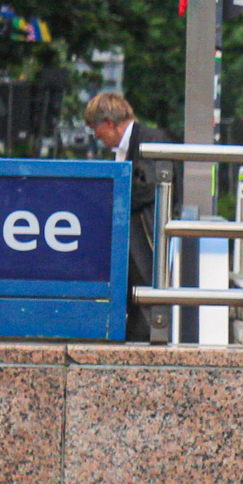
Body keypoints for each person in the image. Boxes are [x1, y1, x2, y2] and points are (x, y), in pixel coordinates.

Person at [85, 91, 168, 343]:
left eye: (95, 128)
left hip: (144, 236)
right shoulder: (135, 143)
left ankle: (143, 339)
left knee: (142, 288)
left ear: (109, 123)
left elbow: (147, 188)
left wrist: (110, 194)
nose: (96, 136)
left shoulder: (152, 141)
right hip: (136, 236)